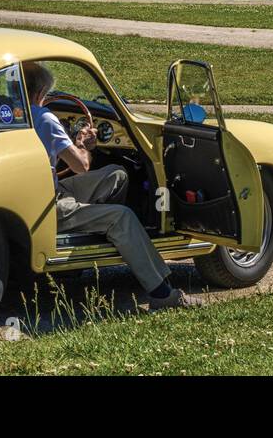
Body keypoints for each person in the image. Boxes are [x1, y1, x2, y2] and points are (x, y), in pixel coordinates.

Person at [22, 62, 198, 312]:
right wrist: (82, 143)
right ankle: (162, 293)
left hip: (35, 194)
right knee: (122, 216)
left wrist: (72, 144)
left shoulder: (8, 115)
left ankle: (91, 245)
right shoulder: (45, 119)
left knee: (116, 175)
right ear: (41, 94)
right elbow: (81, 165)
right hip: (49, 206)